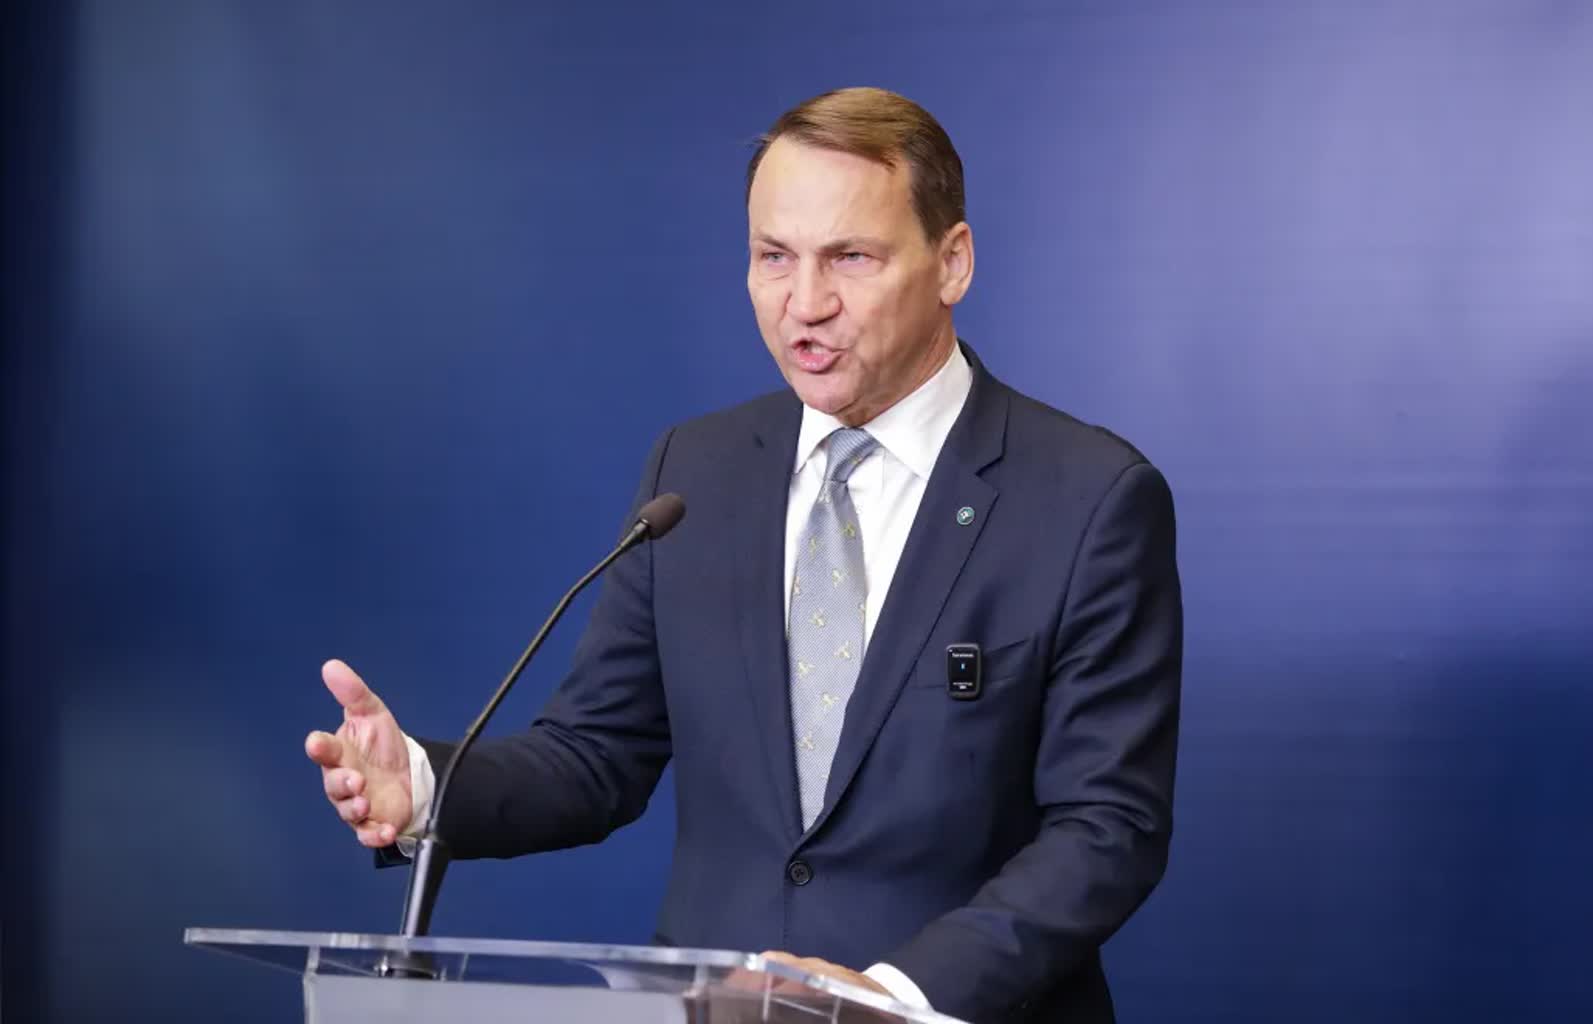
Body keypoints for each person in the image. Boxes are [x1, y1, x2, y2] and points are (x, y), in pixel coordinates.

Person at [305, 86, 1181, 1023]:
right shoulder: (697, 472)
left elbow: (1107, 827)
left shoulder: (1088, 497)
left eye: (850, 257)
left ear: (951, 262)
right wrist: (424, 787)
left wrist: (892, 997)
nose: (805, 304)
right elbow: (596, 754)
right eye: (774, 257)